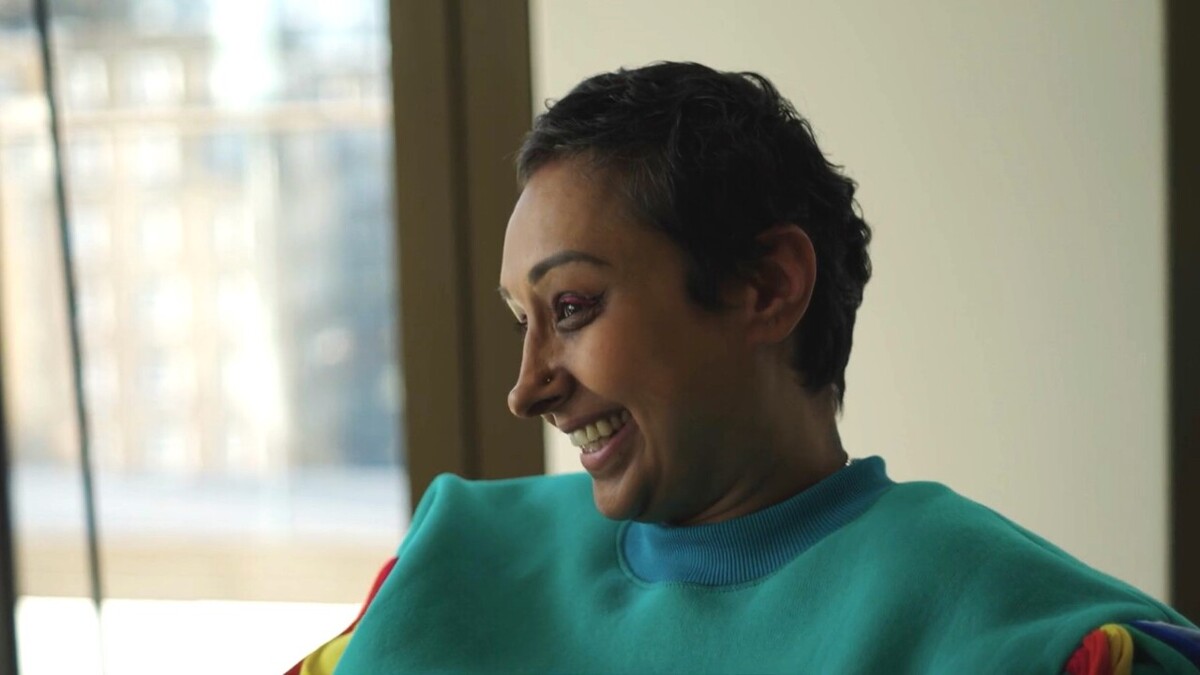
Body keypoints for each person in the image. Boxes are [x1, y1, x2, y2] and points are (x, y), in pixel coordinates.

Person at [288, 62, 1199, 674]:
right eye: (521, 320)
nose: (528, 387)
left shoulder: (1035, 637)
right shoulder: (453, 561)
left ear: (768, 285)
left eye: (570, 308)